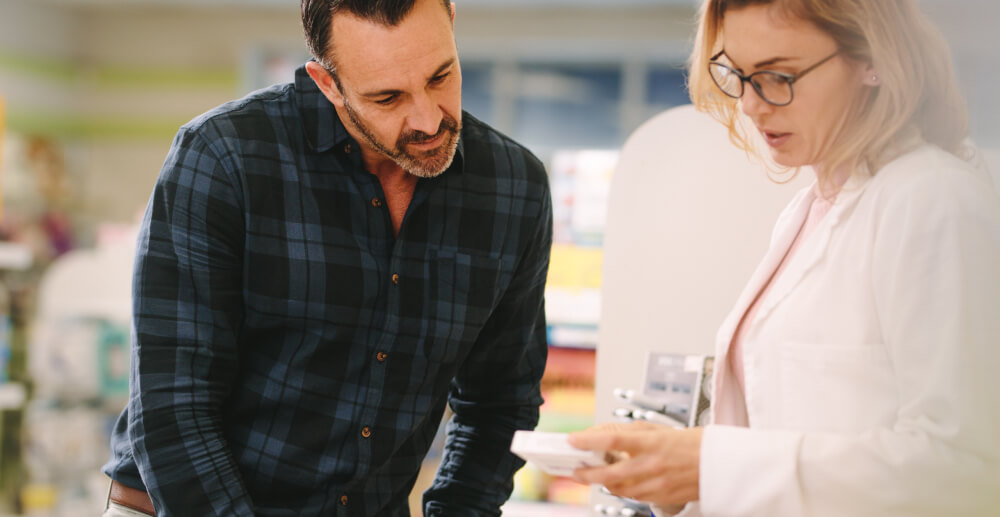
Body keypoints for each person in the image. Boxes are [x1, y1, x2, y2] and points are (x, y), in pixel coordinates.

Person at [101, 0, 552, 515]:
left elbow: (499, 403)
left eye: (441, 76)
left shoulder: (514, 189)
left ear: (451, 23)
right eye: (388, 97)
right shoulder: (225, 158)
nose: (429, 120)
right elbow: (174, 406)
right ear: (326, 83)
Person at [569, 0, 1000, 516]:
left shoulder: (933, 201)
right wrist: (673, 465)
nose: (752, 105)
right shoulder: (811, 209)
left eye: (778, 76)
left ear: (873, 60)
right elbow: (791, 426)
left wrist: (711, 464)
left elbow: (965, 469)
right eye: (738, 74)